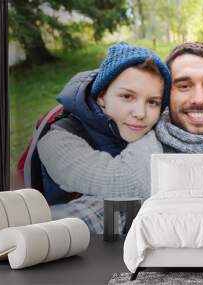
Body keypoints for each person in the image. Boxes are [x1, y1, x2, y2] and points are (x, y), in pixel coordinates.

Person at [37, 42, 171, 233]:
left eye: (152, 102)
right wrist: (151, 135)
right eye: (127, 96)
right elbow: (128, 184)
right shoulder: (57, 140)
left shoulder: (137, 125)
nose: (140, 113)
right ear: (101, 95)